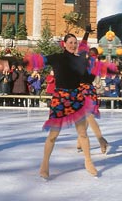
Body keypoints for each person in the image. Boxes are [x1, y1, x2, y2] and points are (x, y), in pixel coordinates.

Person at [29, 30, 98, 179]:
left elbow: (87, 78)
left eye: (75, 43)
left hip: (76, 97)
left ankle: (88, 161)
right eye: (70, 43)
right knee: (53, 135)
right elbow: (40, 61)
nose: (73, 45)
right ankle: (45, 165)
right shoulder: (57, 57)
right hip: (60, 98)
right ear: (64, 44)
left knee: (83, 134)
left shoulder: (80, 60)